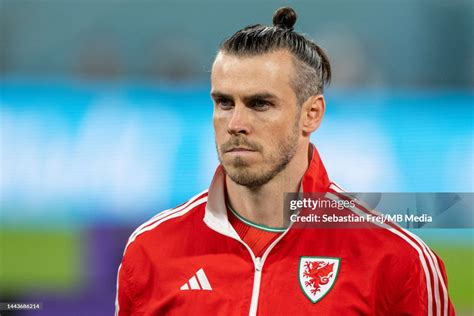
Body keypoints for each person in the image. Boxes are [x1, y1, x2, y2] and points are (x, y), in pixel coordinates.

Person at [115, 7, 454, 315]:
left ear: (312, 114)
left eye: (260, 104)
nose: (235, 124)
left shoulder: (396, 260)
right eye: (224, 103)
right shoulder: (151, 250)